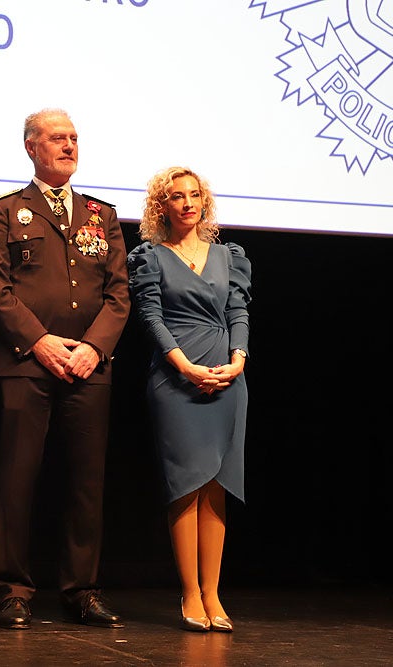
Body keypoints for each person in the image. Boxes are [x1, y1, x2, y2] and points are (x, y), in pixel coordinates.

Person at [0, 108, 131, 630]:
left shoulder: (100, 214)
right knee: (18, 478)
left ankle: (82, 589)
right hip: (27, 363)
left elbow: (118, 294)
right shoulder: (4, 211)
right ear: (31, 148)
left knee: (85, 483)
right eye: (56, 139)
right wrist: (39, 341)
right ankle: (14, 590)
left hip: (90, 366)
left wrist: (93, 348)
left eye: (73, 138)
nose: (68, 146)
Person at [126, 166, 252, 633]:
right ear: (162, 206)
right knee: (185, 485)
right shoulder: (151, 257)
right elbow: (152, 318)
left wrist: (238, 360)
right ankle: (191, 593)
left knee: (218, 484)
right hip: (177, 377)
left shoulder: (228, 255)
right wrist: (184, 367)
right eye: (176, 197)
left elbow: (238, 310)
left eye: (194, 195)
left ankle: (214, 591)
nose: (187, 203)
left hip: (226, 375)